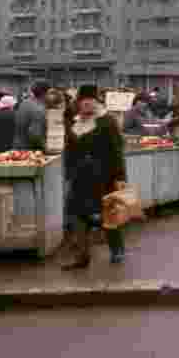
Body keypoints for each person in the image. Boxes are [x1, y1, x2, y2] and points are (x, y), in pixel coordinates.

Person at [62, 85, 127, 269]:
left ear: (96, 102)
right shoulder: (75, 123)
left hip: (104, 176)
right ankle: (82, 257)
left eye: (90, 101)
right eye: (83, 102)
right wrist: (69, 171)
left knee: (108, 215)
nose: (86, 105)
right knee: (77, 215)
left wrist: (120, 177)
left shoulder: (107, 121)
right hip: (80, 177)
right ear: (79, 103)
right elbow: (70, 150)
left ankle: (117, 250)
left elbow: (117, 151)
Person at [14, 82, 49, 152]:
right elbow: (35, 134)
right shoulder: (38, 109)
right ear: (45, 93)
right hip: (30, 151)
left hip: (18, 148)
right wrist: (45, 148)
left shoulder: (24, 103)